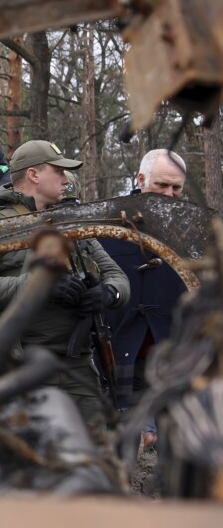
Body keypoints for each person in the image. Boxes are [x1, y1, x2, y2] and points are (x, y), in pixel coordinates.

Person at [0, 140, 129, 432]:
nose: (66, 180)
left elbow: (118, 277)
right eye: (59, 172)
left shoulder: (68, 222)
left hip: (75, 365)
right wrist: (41, 287)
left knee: (96, 454)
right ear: (34, 175)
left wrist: (106, 293)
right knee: (25, 461)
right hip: (17, 367)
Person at [99, 149, 187, 447]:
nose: (170, 194)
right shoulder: (108, 223)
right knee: (121, 445)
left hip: (171, 354)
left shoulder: (189, 229)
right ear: (140, 179)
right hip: (121, 349)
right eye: (162, 185)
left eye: (176, 188)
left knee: (175, 447)